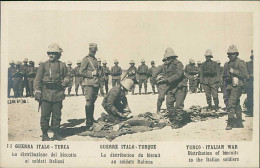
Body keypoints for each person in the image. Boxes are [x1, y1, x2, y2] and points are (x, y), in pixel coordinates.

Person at [34, 43, 69, 141]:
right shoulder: (43, 65)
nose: (51, 55)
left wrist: (66, 81)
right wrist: (37, 91)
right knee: (45, 116)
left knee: (57, 116)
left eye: (54, 53)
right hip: (45, 94)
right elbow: (37, 80)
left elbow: (67, 76)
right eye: (49, 53)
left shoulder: (62, 65)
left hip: (58, 94)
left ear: (58, 54)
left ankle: (56, 134)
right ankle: (45, 135)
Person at [157, 48, 188, 128]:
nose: (165, 61)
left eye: (166, 59)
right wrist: (161, 78)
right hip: (171, 87)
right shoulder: (166, 66)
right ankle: (174, 118)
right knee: (169, 104)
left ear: (171, 58)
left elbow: (178, 75)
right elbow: (164, 75)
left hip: (180, 87)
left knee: (178, 105)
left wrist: (167, 80)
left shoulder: (179, 64)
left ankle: (179, 121)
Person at [223, 45, 248, 130]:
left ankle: (230, 122)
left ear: (236, 54)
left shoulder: (240, 62)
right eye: (230, 54)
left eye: (233, 54)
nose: (231, 56)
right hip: (230, 86)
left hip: (238, 86)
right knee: (236, 103)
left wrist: (234, 71)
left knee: (231, 104)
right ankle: (239, 122)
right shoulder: (228, 63)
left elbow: (245, 74)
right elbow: (225, 75)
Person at [80, 43, 100, 129]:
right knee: (88, 102)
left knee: (92, 102)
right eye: (92, 51)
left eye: (95, 51)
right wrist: (92, 73)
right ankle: (88, 121)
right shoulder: (86, 59)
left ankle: (91, 118)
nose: (94, 52)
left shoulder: (95, 60)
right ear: (89, 50)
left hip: (95, 84)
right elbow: (81, 71)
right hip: (88, 84)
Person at [245, 50, 254, 117]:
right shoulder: (247, 64)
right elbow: (245, 73)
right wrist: (250, 75)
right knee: (250, 98)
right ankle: (250, 111)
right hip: (250, 84)